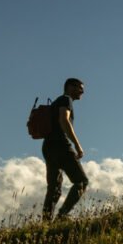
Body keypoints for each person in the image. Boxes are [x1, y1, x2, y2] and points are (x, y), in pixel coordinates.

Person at [42, 78, 89, 221]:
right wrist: (77, 145)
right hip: (61, 145)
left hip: (48, 146)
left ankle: (45, 223)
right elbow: (64, 120)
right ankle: (62, 216)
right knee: (81, 181)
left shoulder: (57, 101)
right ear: (70, 87)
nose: (82, 91)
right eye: (80, 88)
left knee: (54, 187)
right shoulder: (65, 100)